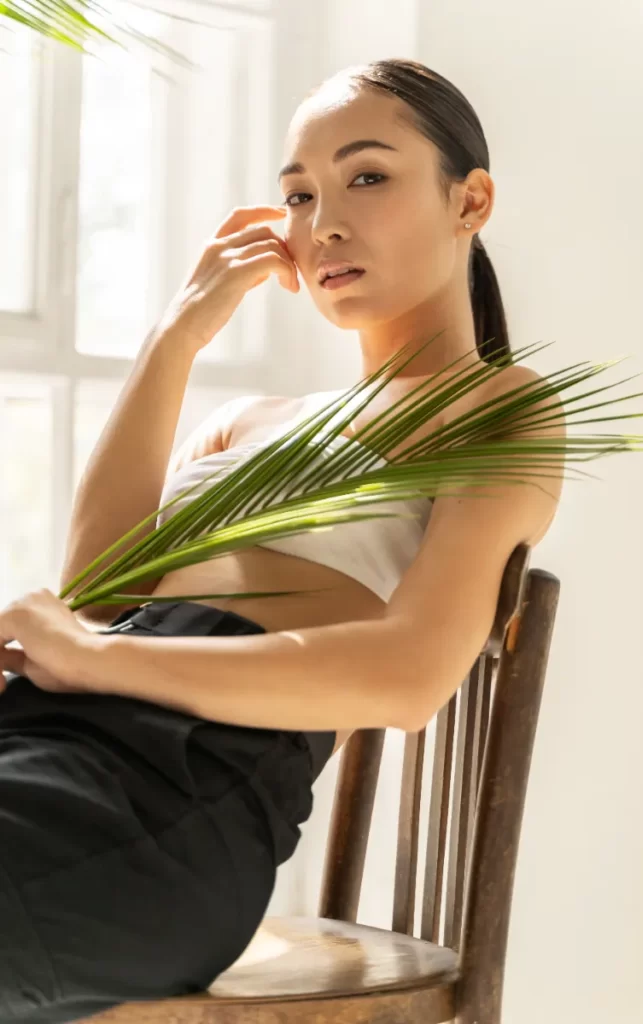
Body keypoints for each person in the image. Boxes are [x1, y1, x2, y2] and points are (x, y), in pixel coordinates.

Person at [0, 58, 563, 1021]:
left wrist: (98, 661)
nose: (324, 221)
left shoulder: (493, 410)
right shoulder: (249, 424)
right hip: (43, 750)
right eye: (298, 195)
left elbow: (409, 675)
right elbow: (98, 590)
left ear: (470, 201)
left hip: (171, 810)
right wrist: (175, 339)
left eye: (368, 176)